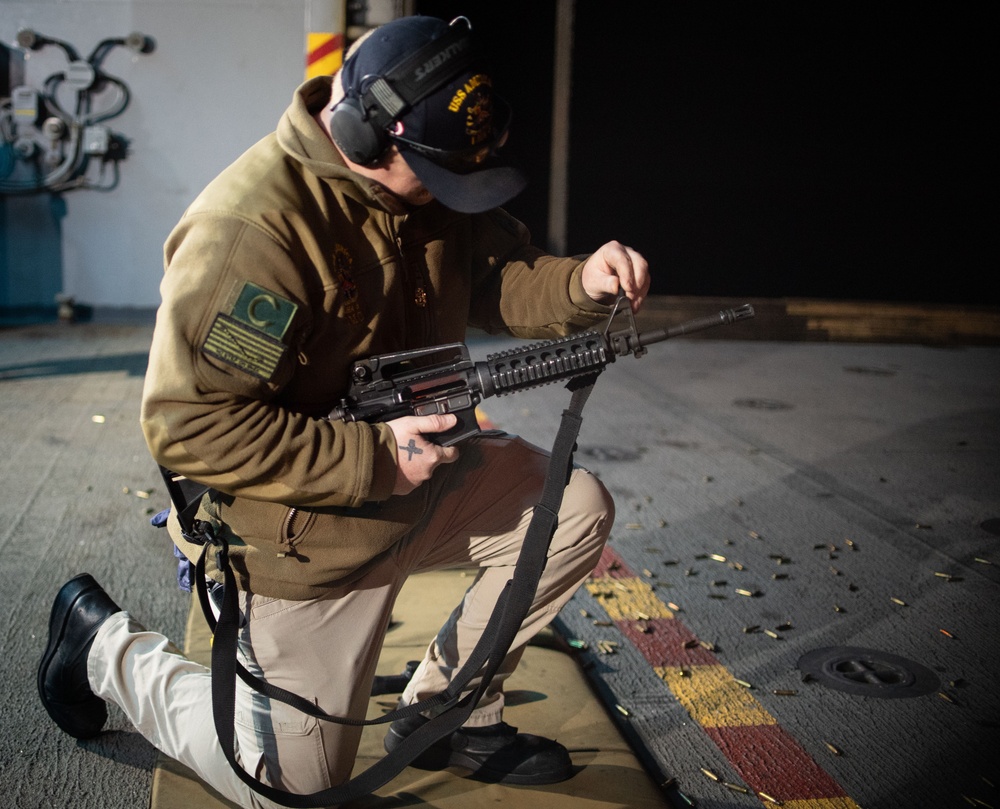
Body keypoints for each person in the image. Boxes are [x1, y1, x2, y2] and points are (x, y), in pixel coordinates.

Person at [37, 13, 650, 806]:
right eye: (432, 175)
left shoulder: (425, 178)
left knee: (573, 508)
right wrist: (372, 459)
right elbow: (193, 426)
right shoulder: (255, 231)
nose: (445, 195)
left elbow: (498, 273)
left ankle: (447, 713)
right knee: (288, 786)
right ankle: (103, 647)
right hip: (298, 531)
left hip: (424, 476)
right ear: (364, 136)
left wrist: (580, 284)